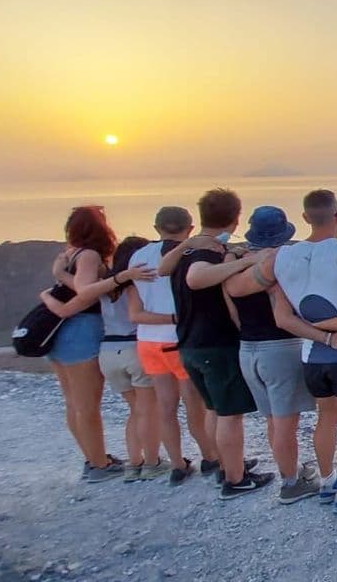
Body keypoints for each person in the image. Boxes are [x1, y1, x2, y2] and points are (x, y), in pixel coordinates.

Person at [250, 190, 337, 514]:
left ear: (305, 218)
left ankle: (327, 481)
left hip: (311, 355)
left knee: (325, 419)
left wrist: (321, 336)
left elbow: (283, 317)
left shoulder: (282, 257)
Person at [221, 206, 337, 505]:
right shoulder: (280, 264)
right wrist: (326, 336)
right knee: (287, 422)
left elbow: (232, 309)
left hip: (247, 347)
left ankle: (292, 471)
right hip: (280, 347)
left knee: (274, 419)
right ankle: (291, 483)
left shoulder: (236, 263)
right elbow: (284, 315)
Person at [167, 189, 274, 499]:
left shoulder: (186, 252)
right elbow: (196, 279)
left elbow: (167, 271)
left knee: (215, 409)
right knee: (229, 414)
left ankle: (227, 465)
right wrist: (244, 263)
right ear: (236, 217)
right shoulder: (204, 254)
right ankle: (235, 479)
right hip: (215, 343)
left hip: (189, 343)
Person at [42, 225, 158, 483]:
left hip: (108, 352)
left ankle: (132, 463)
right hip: (134, 348)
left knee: (132, 408)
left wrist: (59, 275)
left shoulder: (105, 288)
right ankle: (149, 462)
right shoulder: (139, 284)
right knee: (145, 409)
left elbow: (81, 291)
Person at [128, 206, 218, 485]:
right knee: (195, 405)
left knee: (165, 406)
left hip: (147, 341)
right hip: (179, 339)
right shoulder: (188, 256)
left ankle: (178, 464)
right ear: (190, 229)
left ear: (156, 228)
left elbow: (136, 305)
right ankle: (210, 456)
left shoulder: (138, 256)